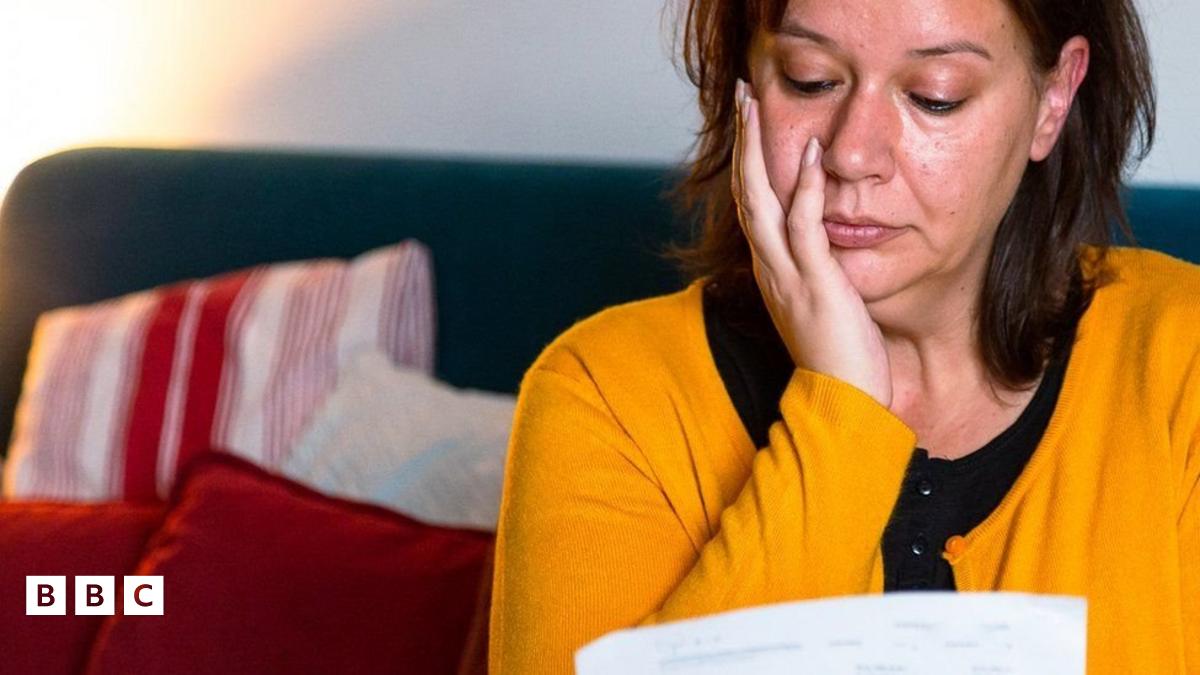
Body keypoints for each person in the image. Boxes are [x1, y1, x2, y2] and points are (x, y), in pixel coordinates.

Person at [489, 0, 1198, 672]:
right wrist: (842, 409)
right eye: (810, 81)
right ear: (745, 83)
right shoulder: (604, 394)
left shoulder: (1181, 354)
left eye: (935, 96)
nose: (853, 154)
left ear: (1054, 97)